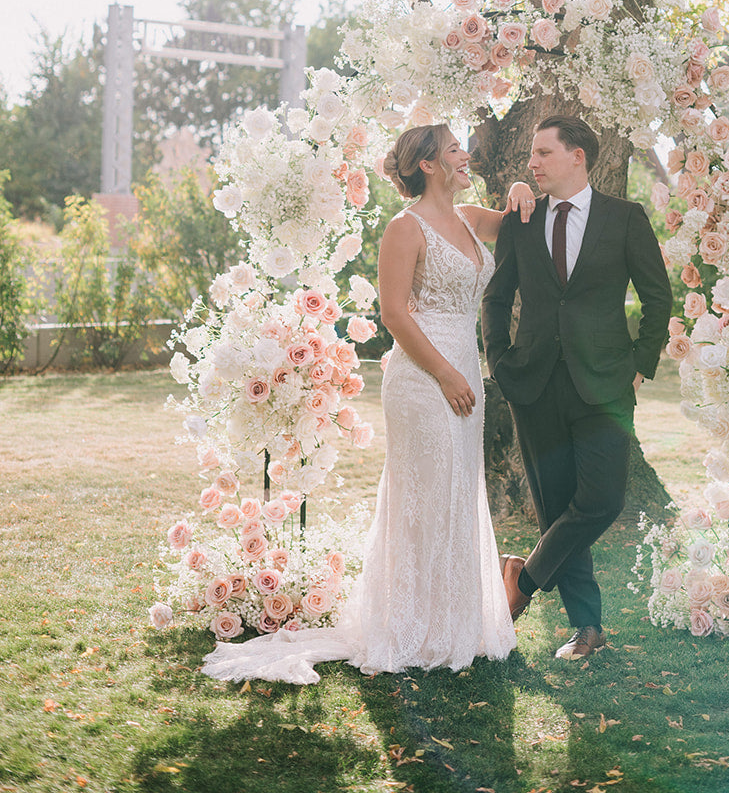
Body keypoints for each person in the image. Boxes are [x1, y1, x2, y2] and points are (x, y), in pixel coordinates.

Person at [201, 123, 534, 683]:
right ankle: (407, 625)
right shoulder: (405, 228)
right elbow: (396, 315)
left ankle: (452, 621)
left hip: (465, 369)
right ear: (428, 164)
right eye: (454, 149)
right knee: (423, 491)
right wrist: (447, 374)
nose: (465, 155)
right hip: (425, 375)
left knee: (457, 487)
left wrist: (523, 185)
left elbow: (521, 223)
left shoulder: (473, 220)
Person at [482, 115, 673, 660]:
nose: (533, 163)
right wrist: (499, 358)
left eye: (543, 153)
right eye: (531, 155)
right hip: (534, 384)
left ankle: (522, 579)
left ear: (577, 157)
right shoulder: (522, 221)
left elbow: (657, 297)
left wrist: (641, 360)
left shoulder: (626, 218)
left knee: (602, 500)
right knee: (555, 506)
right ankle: (587, 628)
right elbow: (497, 298)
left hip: (606, 384)